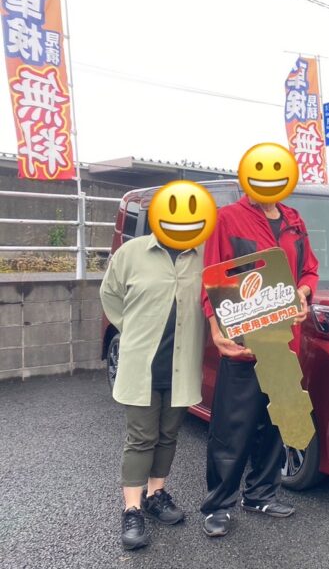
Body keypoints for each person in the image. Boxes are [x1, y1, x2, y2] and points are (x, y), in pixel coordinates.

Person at [200, 194, 319, 537]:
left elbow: (310, 269)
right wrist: (214, 326)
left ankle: (260, 494)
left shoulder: (294, 219)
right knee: (232, 427)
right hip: (244, 343)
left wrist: (304, 293)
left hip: (285, 341)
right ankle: (218, 505)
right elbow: (210, 277)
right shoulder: (227, 218)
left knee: (275, 423)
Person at [100, 230, 206, 550]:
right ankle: (131, 509)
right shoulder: (132, 253)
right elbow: (110, 295)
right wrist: (132, 327)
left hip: (182, 365)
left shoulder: (203, 255)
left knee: (168, 435)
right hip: (142, 365)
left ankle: (155, 494)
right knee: (141, 437)